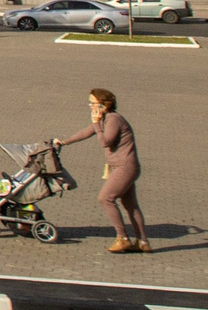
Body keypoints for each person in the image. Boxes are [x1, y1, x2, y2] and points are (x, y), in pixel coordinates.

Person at [55, 87, 147, 253]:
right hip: (124, 166)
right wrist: (64, 142)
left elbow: (106, 141)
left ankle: (123, 238)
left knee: (106, 198)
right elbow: (86, 132)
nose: (90, 106)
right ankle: (143, 242)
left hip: (124, 167)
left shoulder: (113, 119)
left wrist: (97, 123)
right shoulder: (105, 119)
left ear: (105, 104)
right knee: (131, 205)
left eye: (93, 103)